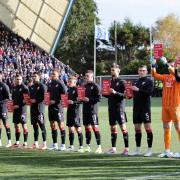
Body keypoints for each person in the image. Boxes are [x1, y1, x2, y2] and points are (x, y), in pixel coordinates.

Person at [151, 56, 180, 158]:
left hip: (175, 106)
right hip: (165, 106)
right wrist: (153, 64)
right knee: (166, 128)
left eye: (172, 66)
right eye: (170, 65)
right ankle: (167, 150)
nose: (170, 68)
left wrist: (167, 64)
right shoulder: (165, 77)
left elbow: (175, 74)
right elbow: (154, 74)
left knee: (178, 128)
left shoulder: (178, 78)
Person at [104, 63, 129, 155]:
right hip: (111, 108)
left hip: (119, 108)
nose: (112, 72)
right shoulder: (109, 82)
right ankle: (113, 148)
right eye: (111, 70)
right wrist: (104, 93)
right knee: (113, 128)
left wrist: (115, 92)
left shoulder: (122, 82)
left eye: (114, 70)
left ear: (118, 71)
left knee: (123, 128)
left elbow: (125, 95)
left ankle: (126, 149)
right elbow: (108, 95)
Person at [130, 65, 154, 157]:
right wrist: (128, 94)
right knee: (137, 129)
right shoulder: (135, 81)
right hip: (136, 108)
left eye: (143, 70)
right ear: (138, 71)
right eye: (140, 70)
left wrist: (138, 89)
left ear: (146, 71)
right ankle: (138, 149)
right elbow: (132, 93)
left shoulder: (149, 81)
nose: (141, 72)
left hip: (145, 108)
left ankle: (149, 150)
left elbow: (149, 93)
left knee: (147, 128)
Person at [81, 70, 102, 154]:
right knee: (87, 128)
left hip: (93, 111)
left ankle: (99, 147)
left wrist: (89, 100)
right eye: (85, 76)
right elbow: (81, 97)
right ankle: (88, 146)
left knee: (95, 127)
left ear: (92, 77)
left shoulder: (96, 86)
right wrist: (80, 99)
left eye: (88, 76)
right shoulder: (83, 86)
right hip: (85, 110)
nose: (86, 77)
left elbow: (99, 98)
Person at [47, 69, 67, 150]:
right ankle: (54, 144)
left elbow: (65, 96)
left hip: (58, 108)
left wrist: (55, 101)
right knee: (52, 125)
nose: (52, 75)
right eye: (52, 74)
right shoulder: (50, 84)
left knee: (61, 126)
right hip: (50, 107)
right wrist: (47, 101)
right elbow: (47, 95)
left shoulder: (60, 84)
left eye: (54, 74)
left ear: (58, 75)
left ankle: (63, 145)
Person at [29, 72, 47, 150]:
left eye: (35, 76)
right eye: (33, 76)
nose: (33, 77)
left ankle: (44, 143)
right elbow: (29, 97)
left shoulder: (42, 86)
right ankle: (35, 143)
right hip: (33, 109)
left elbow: (44, 98)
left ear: (39, 77)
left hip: (40, 109)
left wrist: (35, 100)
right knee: (34, 126)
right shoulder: (31, 87)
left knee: (41, 125)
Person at [66, 76, 84, 152]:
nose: (69, 83)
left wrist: (73, 102)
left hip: (76, 112)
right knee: (70, 129)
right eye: (69, 81)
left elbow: (81, 100)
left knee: (78, 129)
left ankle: (81, 147)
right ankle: (71, 146)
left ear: (75, 82)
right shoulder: (68, 90)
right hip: (69, 111)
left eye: (71, 82)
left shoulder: (78, 89)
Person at [11, 74, 29, 148]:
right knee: (16, 125)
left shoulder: (25, 88)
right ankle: (17, 142)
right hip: (15, 110)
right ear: (15, 80)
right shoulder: (14, 88)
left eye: (19, 79)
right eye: (17, 79)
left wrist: (18, 105)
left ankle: (25, 142)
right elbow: (12, 99)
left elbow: (26, 100)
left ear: (22, 80)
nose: (18, 80)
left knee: (24, 125)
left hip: (22, 110)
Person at [0, 73, 11, 147]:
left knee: (6, 124)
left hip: (3, 107)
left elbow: (8, 98)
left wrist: (1, 102)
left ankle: (9, 141)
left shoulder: (4, 86)